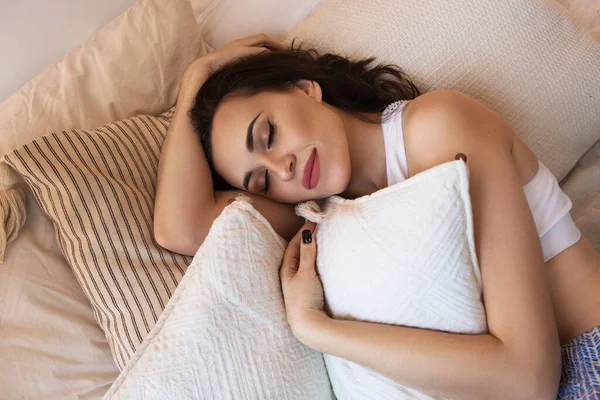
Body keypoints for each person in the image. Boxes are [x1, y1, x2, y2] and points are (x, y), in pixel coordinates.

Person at [153, 34, 600, 399]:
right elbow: (182, 228)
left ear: (304, 87)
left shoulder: (437, 127)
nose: (282, 169)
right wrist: (194, 80)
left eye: (268, 134)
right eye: (262, 182)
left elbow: (528, 380)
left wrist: (316, 328)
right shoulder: (329, 216)